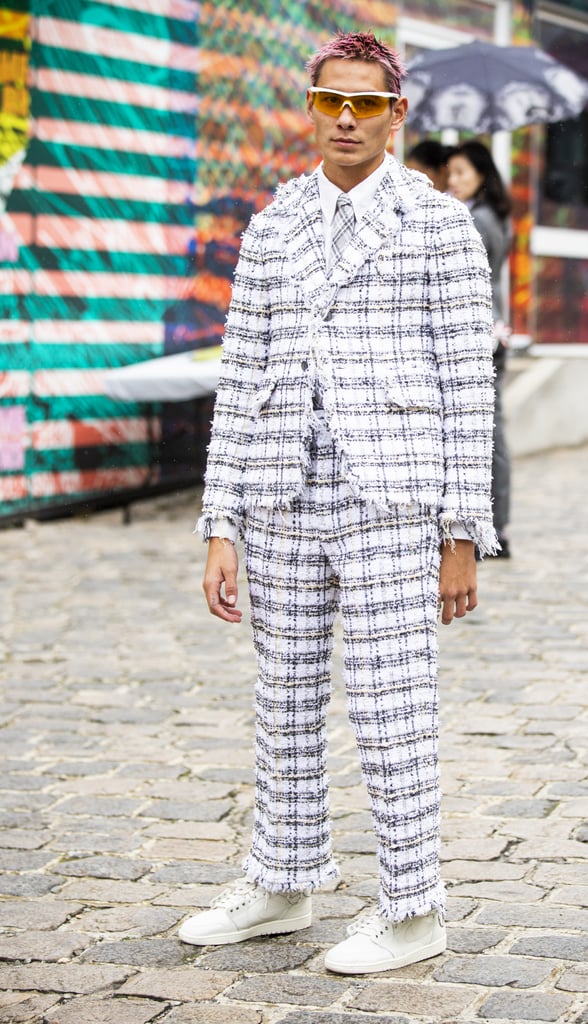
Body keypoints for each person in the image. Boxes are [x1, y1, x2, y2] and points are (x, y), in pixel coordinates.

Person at [178, 31, 496, 975]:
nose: (347, 120)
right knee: (282, 700)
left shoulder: (437, 224)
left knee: (393, 704)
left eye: (366, 104)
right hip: (280, 493)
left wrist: (462, 533)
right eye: (331, 102)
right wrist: (220, 521)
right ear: (310, 108)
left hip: (393, 496)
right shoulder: (273, 224)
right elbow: (240, 375)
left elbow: (466, 387)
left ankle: (412, 907)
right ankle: (281, 881)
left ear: (397, 115)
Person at [448, 140, 513, 558]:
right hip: (494, 328)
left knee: (484, 433)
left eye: (461, 174)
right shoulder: (491, 216)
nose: (452, 182)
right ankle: (496, 526)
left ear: (482, 177)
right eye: (450, 173)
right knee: (489, 430)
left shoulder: (476, 219)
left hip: (480, 333)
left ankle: (492, 529)